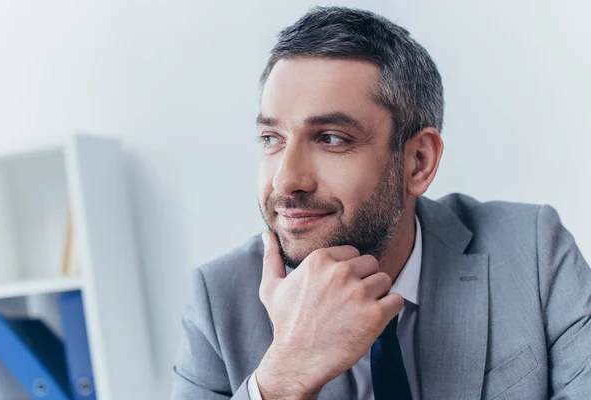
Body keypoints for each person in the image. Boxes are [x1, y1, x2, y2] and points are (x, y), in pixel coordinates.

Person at [170, 6, 591, 400]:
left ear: (418, 162)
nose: (286, 179)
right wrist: (284, 376)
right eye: (271, 139)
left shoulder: (534, 253)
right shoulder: (217, 300)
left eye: (331, 138)